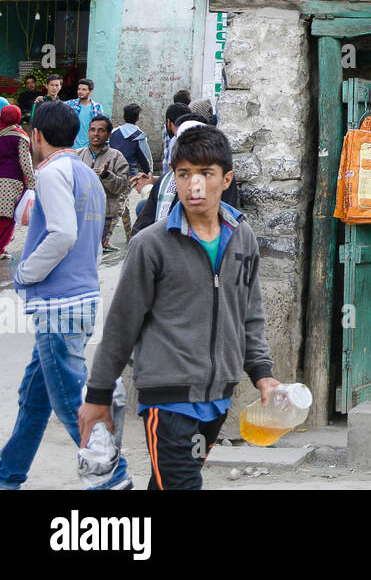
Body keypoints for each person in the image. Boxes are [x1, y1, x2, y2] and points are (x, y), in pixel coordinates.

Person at [80, 123, 279, 491]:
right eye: (184, 174)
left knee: (169, 483)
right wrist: (97, 396)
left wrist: (262, 372)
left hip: (219, 397)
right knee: (182, 485)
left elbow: (249, 311)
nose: (195, 185)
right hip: (167, 399)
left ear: (226, 178)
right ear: (173, 178)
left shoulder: (243, 237)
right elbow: (121, 326)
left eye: (206, 173)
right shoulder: (150, 245)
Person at [0, 102, 130, 490]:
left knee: (72, 403)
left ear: (36, 135)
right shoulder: (86, 174)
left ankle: (112, 478)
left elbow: (62, 234)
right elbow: (88, 242)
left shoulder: (53, 173)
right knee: (35, 397)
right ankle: (8, 473)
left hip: (60, 305)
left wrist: (24, 271)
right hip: (80, 298)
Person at [78, 116, 130, 254]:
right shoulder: (78, 155)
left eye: (101, 130)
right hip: (80, 214)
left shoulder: (116, 157)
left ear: (108, 134)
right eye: (92, 130)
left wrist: (106, 175)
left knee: (95, 252)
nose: (95, 134)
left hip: (105, 215)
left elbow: (122, 186)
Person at [109, 103, 152, 240]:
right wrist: (148, 173)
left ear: (123, 117)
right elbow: (145, 158)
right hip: (129, 175)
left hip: (111, 173)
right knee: (120, 205)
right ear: (138, 118)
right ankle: (105, 239)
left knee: (122, 203)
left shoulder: (114, 133)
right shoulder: (139, 136)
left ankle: (129, 235)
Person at [0, 104, 35, 262]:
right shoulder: (19, 135)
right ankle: (0, 249)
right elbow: (25, 162)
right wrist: (32, 185)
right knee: (6, 218)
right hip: (11, 183)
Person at [68, 78, 104, 151]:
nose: (80, 91)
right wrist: (42, 99)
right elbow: (55, 105)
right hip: (72, 147)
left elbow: (102, 127)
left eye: (84, 89)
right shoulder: (70, 105)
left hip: (89, 148)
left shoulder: (97, 107)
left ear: (90, 91)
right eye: (79, 89)